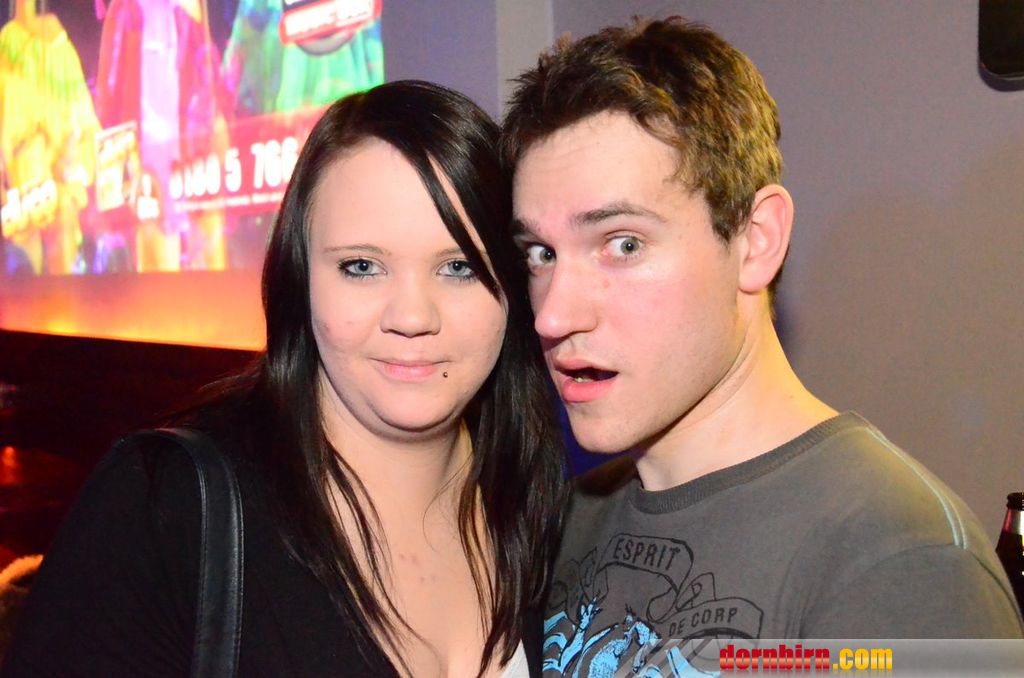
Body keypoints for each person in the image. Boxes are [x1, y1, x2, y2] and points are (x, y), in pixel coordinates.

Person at [499, 16, 1024, 675]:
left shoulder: (905, 563)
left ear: (756, 241)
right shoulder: (568, 519)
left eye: (622, 244)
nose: (552, 315)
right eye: (541, 254)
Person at [2, 80, 566, 677]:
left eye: (458, 267)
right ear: (300, 278)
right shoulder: (163, 510)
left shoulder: (542, 501)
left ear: (512, 288)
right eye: (362, 266)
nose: (411, 316)